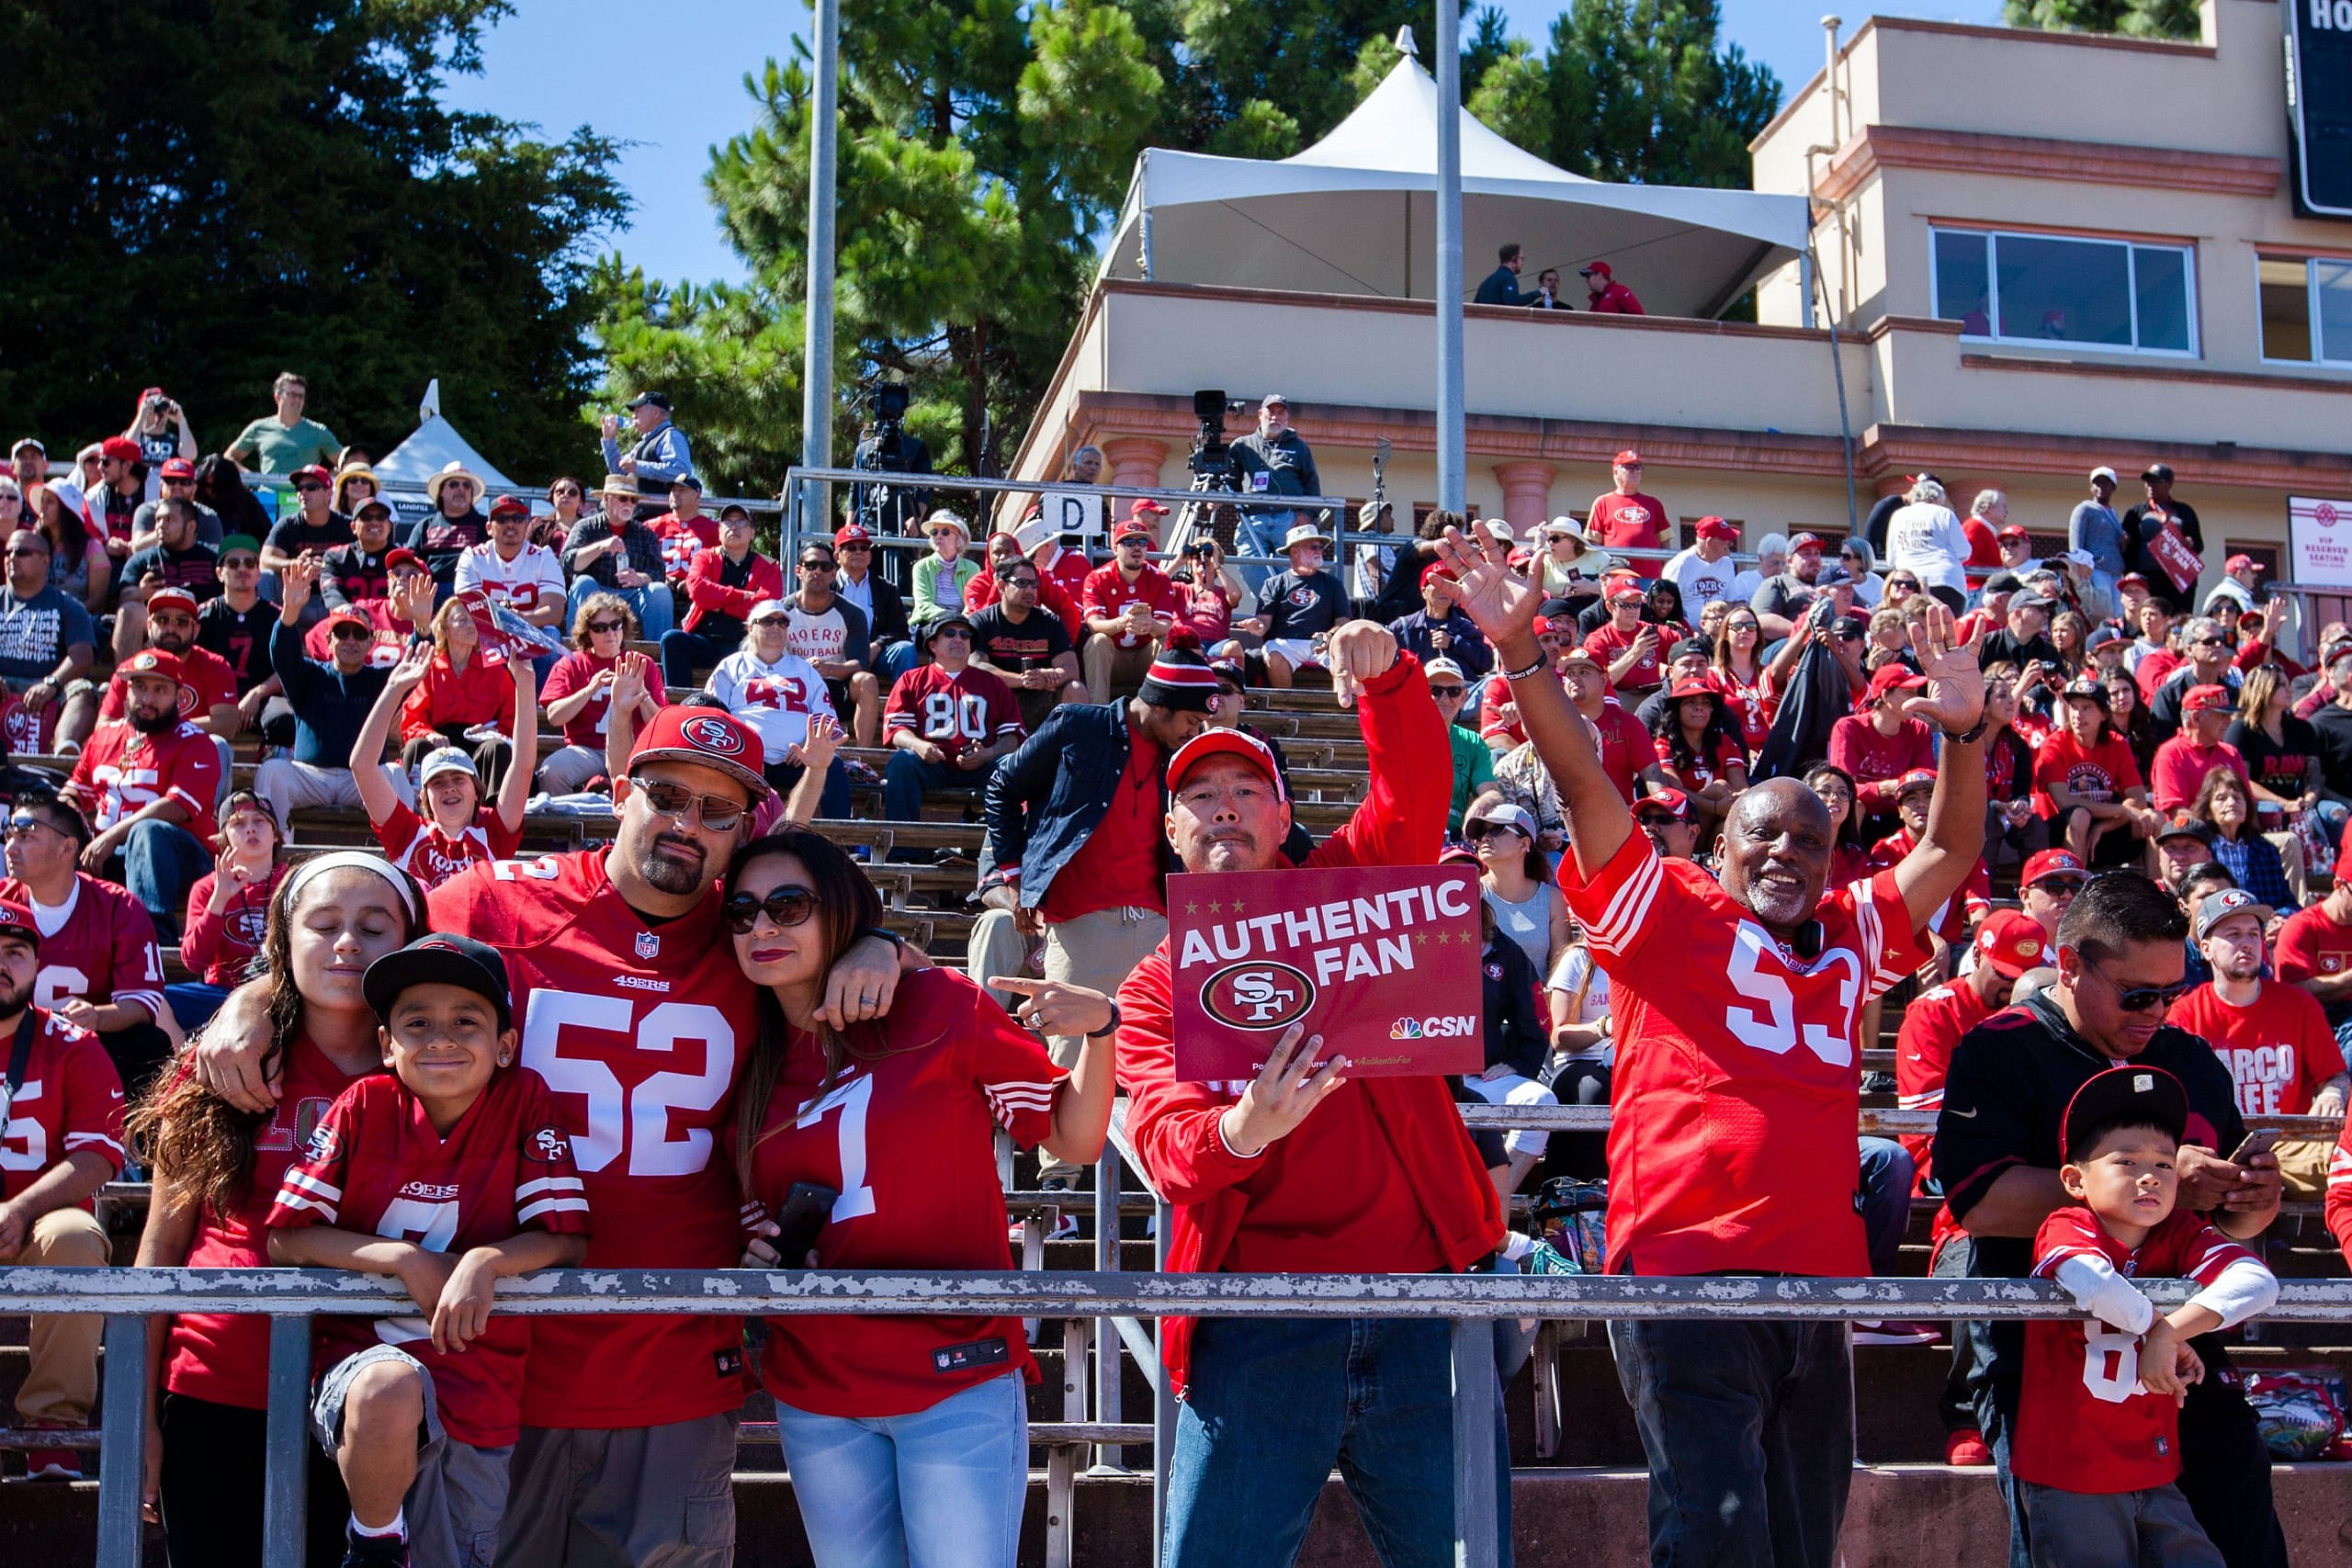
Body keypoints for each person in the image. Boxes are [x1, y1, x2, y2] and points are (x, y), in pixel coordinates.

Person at [191, 707, 913, 1568]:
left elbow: (873, 978)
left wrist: (880, 943)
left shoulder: (757, 934)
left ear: (745, 826)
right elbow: (347, 958)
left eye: (718, 809)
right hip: (485, 1363)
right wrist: (251, 997)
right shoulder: (493, 900)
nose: (687, 823)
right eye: (667, 795)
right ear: (620, 790)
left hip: (668, 1364)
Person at [1436, 519, 1989, 1566]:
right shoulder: (1670, 911)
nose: (1787, 852)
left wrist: (1963, 736)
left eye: (1810, 839)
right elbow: (1588, 788)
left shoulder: (1851, 928)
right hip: (1686, 1272)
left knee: (1801, 1543)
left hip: (1816, 1284)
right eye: (1762, 833)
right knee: (1715, 1542)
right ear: (1720, 842)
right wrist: (1520, 651)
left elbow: (1952, 847)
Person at [1114, 593, 1512, 1567]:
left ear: (1284, 815)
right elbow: (1166, 1146)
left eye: (1246, 790)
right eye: (1200, 795)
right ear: (1170, 830)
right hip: (1259, 1323)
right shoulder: (1155, 984)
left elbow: (1412, 791)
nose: (1223, 807)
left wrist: (1387, 677)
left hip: (1422, 1308)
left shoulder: (1353, 890)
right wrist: (1243, 1128)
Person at [727, 827, 1114, 1567]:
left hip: (955, 1373)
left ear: (839, 909)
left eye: (787, 905)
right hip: (817, 1385)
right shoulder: (743, 1054)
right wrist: (760, 1249)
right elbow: (747, 1216)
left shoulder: (939, 1004)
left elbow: (1073, 1137)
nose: (762, 927)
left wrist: (1101, 1031)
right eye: (742, 912)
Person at [1933, 872, 2287, 1568]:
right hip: (2043, 1353)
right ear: (2069, 965)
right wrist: (2158, 1188)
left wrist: (2251, 1197)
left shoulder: (2189, 1057)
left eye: (2172, 992)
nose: (2157, 1011)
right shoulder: (2001, 1047)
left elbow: (2231, 1225)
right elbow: (1981, 1199)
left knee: (2242, 1535)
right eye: (2136, 993)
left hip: (2178, 1348)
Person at [132, 856, 426, 1564]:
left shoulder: (439, 1065)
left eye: (374, 926)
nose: (347, 942)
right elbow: (160, 1247)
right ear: (282, 942)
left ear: (410, 942)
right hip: (213, 1383)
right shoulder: (221, 1064)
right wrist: (137, 1416)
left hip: (368, 1398)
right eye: (322, 924)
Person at [265, 931, 590, 1568]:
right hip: (361, 1362)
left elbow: (566, 1239)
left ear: (505, 1045)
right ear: (387, 1045)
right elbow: (286, 1236)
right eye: (417, 1023)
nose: (441, 1038)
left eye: (466, 1021)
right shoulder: (363, 1104)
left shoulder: (525, 1099)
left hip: (478, 1379)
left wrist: (484, 1260)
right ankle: (375, 1545)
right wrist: (402, 1258)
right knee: (388, 1386)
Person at [2008, 1065, 2275, 1568]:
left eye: (2165, 1164)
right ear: (2075, 1179)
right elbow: (2091, 1281)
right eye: (2126, 1161)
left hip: (2154, 1470)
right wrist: (2155, 1329)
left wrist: (2170, 1334)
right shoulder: (2066, 1224)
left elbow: (2258, 1283)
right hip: (2072, 1475)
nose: (2149, 1176)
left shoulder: (2180, 1231)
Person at [983, 643, 1215, 1194]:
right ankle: (1059, 1184)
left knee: (1161, 1050)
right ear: (1158, 706)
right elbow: (1002, 785)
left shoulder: (1181, 754)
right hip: (1081, 915)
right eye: (1189, 719)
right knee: (1070, 1043)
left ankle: (1154, 1175)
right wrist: (1014, 875)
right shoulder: (1078, 724)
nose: (1195, 730)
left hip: (1159, 918)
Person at [0, 898, 125, 1483]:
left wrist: (20, 1210)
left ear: (37, 966)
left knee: (76, 1238)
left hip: (41, 1219)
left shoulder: (73, 1043)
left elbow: (99, 1154)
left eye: (14, 953)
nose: (2, 965)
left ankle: (54, 1428)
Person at [0, 786, 175, 1087]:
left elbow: (142, 1002)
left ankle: (122, 1119)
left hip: (86, 1044)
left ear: (67, 848)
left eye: (26, 837)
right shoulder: (3, 900)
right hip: (8, 1034)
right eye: (9, 836)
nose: (11, 848)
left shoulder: (119, 907)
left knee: (148, 1044)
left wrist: (96, 1017)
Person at [62, 649, 221, 943]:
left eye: (160, 690)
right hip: (110, 855)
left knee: (148, 831)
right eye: (140, 687)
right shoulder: (103, 738)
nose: (147, 699)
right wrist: (64, 810)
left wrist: (111, 837)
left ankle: (153, 934)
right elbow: (74, 792)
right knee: (53, 829)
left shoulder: (195, 742)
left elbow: (176, 807)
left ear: (180, 697)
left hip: (178, 859)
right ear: (127, 690)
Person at [356, 640, 537, 891]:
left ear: (477, 792)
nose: (449, 787)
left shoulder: (494, 833)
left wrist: (525, 684)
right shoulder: (407, 833)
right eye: (438, 782)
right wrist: (394, 688)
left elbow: (523, 765)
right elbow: (362, 766)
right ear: (424, 798)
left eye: (458, 779)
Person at [2172, 887, 2347, 1132]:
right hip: (2217, 1143)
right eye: (2233, 934)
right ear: (2206, 949)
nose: (2246, 943)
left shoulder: (2300, 1005)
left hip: (2291, 1142)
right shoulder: (2184, 1015)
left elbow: (2335, 1076)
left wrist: (2332, 1094)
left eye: (2253, 934)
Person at [258, 558, 394, 829]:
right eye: (342, 633)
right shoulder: (309, 674)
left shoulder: (381, 680)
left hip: (362, 780)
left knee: (396, 775)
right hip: (310, 776)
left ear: (371, 642)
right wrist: (290, 612)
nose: (350, 640)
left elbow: (416, 666)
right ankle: (272, 851)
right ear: (329, 640)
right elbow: (282, 654)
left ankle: (401, 855)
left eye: (359, 634)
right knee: (271, 771)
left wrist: (422, 627)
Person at [880, 615, 1024, 826]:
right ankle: (902, 841)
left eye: (965, 635)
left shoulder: (994, 683)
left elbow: (1012, 737)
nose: (959, 639)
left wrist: (988, 753)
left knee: (1015, 765)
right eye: (949, 633)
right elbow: (897, 730)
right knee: (903, 761)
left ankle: (1008, 840)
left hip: (983, 766)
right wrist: (919, 745)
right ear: (932, 645)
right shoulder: (911, 680)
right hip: (932, 765)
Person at [1463, 893, 1557, 1203]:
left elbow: (1535, 1020)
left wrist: (1518, 1063)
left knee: (1541, 1102)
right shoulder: (1411, 939)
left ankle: (1489, 1204)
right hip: (1424, 1082)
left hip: (1479, 1078)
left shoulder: (1503, 950)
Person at [170, 790, 288, 1031]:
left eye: (259, 821)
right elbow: (194, 962)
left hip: (281, 990)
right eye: (239, 824)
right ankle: (183, 1052)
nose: (250, 829)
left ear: (276, 834)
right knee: (157, 1001)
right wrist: (220, 900)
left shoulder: (293, 881)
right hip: (223, 996)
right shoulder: (207, 888)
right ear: (224, 838)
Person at [396, 595, 524, 791]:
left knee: (497, 749)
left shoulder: (496, 671)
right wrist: (429, 735)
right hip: (439, 745)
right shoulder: (429, 670)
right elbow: (413, 719)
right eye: (463, 620)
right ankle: (415, 804)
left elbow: (512, 719)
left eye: (475, 620)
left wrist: (492, 732)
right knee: (417, 746)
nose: (471, 625)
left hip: (479, 744)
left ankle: (493, 809)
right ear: (445, 629)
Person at [541, 600, 666, 795]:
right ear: (587, 633)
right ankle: (565, 815)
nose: (610, 633)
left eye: (616, 625)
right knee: (552, 771)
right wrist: (590, 690)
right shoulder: (571, 663)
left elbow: (659, 726)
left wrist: (642, 694)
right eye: (600, 628)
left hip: (632, 748)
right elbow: (554, 717)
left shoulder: (643, 664)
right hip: (586, 751)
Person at [2035, 675, 2161, 865]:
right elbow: (2064, 802)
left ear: (2104, 714)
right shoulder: (2054, 744)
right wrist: (2122, 810)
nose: (2078, 715)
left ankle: (2157, 884)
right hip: (2059, 831)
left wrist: (2104, 826)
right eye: (2074, 707)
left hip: (2103, 829)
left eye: (2086, 708)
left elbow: (2138, 799)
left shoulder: (2117, 744)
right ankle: (2076, 882)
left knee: (2155, 818)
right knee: (2080, 815)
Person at [662, 502, 779, 689]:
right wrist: (742, 595)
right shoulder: (704, 556)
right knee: (671, 640)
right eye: (728, 522)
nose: (734, 527)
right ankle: (681, 702)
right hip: (705, 640)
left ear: (752, 533)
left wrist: (718, 604)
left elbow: (765, 607)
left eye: (741, 522)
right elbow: (697, 591)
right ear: (719, 531)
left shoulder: (769, 566)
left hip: (745, 643)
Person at [99, 585, 241, 739]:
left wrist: (166, 729)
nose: (171, 628)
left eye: (182, 622)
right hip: (142, 749)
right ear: (149, 626)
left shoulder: (215, 666)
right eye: (162, 619)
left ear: (195, 630)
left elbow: (227, 724)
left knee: (218, 742)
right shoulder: (129, 669)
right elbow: (103, 726)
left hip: (194, 750)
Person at [0, 525, 96, 752]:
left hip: (49, 688)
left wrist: (51, 683)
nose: (12, 557)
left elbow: (82, 656)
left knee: (83, 691)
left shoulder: (68, 605)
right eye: (8, 552)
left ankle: (64, 749)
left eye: (22, 552)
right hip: (3, 686)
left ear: (45, 560)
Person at [969, 557, 1085, 732]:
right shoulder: (982, 620)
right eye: (1022, 583)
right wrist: (1022, 680)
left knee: (1076, 689)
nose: (1030, 590)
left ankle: (1075, 748)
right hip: (999, 699)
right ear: (1001, 586)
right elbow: (976, 667)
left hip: (1041, 699)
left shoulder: (1050, 621)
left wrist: (1047, 676)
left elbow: (1070, 669)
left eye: (1034, 584)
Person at [1080, 514, 1178, 702]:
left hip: (1144, 658)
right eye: (1129, 542)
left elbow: (1166, 626)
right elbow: (1094, 625)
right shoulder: (1097, 578)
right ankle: (1099, 711)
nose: (1137, 547)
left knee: (1167, 642)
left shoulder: (1160, 579)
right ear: (1115, 549)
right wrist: (1123, 622)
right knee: (1097, 641)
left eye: (1142, 542)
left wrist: (1149, 624)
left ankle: (1163, 710)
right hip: (1113, 659)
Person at [1239, 521, 1348, 688]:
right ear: (1295, 551)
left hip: (1321, 641)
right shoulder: (1274, 584)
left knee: (1344, 655)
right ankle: (1285, 704)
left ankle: (1340, 702)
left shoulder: (1333, 584)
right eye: (1314, 547)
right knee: (1273, 653)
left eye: (1320, 547)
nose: (1319, 551)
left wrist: (1329, 636)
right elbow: (1263, 622)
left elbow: (1343, 622)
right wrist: (1257, 626)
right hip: (1286, 643)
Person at [563, 475, 672, 639]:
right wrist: (601, 547)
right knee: (583, 583)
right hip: (595, 595)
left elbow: (659, 573)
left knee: (660, 591)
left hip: (632, 598)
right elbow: (567, 563)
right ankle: (577, 649)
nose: (629, 504)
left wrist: (640, 578)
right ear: (606, 499)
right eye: (623, 498)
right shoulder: (585, 527)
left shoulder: (645, 534)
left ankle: (658, 651)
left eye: (633, 500)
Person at [1469, 799, 1568, 976]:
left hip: (1539, 994)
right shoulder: (1469, 895)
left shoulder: (1553, 900)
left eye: (1497, 830)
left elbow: (1561, 974)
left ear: (1524, 844)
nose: (1485, 838)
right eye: (1481, 832)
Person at [1828, 661, 1937, 817]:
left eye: (1916, 692)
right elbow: (1842, 788)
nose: (1916, 699)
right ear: (1886, 696)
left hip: (1903, 813)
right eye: (1908, 693)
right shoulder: (1848, 727)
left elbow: (1927, 779)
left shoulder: (1919, 729)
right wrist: (1883, 788)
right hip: (1860, 813)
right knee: (1857, 806)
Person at [1226, 393, 1323, 564]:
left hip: (1289, 519)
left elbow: (1312, 485)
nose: (1275, 417)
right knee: (1249, 565)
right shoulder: (1242, 445)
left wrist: (1307, 514)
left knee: (1290, 571)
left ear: (1287, 418)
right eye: (1270, 412)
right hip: (1253, 518)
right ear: (1260, 414)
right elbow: (1230, 481)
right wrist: (1217, 497)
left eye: (1280, 413)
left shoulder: (1299, 447)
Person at [2189, 766, 2298, 913]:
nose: (2232, 803)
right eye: (2221, 798)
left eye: (2237, 798)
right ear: (2208, 810)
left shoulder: (2265, 850)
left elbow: (2288, 902)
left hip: (2264, 923)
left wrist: (2278, 917)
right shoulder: (2200, 850)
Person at [456, 494, 568, 635]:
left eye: (517, 519)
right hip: (486, 634)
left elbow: (555, 612)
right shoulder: (473, 558)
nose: (510, 524)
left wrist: (519, 619)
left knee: (551, 632)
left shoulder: (544, 557)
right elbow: (468, 608)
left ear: (526, 526)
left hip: (531, 633)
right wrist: (500, 619)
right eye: (502, 519)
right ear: (489, 528)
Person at [830, 522, 916, 690]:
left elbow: (899, 630)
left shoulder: (886, 589)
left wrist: (877, 646)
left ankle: (906, 702)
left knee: (905, 650)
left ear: (870, 555)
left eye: (864, 548)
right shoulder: (827, 587)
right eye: (851, 548)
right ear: (837, 556)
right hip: (835, 656)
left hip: (876, 656)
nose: (859, 552)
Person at [2152, 685, 2253, 815]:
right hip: (2191, 828)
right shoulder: (2171, 754)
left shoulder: (2230, 753)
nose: (2229, 721)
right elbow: (2176, 813)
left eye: (2229, 715)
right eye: (2222, 715)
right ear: (2196, 718)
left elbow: (2247, 803)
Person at [1425, 657, 1497, 837]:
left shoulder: (1472, 742)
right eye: (1435, 691)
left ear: (1463, 697)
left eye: (1453, 691)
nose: (1444, 698)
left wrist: (1482, 805)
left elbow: (1490, 793)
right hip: (1411, 833)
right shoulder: (1403, 736)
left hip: (1454, 837)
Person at [1387, 564, 1494, 681]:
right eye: (1436, 583)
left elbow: (1486, 663)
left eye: (1449, 584)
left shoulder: (1466, 628)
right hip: (1416, 689)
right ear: (1424, 592)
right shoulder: (1402, 628)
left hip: (1460, 690)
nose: (1443, 589)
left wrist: (1454, 643)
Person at [226, 371, 340, 474]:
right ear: (277, 397)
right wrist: (249, 476)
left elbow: (345, 462)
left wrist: (327, 479)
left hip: (303, 491)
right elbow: (230, 457)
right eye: (292, 395)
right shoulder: (259, 427)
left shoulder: (318, 431)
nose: (297, 400)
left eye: (301, 396)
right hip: (268, 490)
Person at [405, 462, 492, 592]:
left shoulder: (486, 525)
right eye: (454, 484)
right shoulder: (424, 526)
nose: (461, 489)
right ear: (441, 492)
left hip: (473, 590)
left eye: (466, 485)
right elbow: (409, 561)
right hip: (430, 591)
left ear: (471, 493)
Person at [599, 390, 695, 508]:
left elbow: (681, 473)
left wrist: (638, 467)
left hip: (659, 515)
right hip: (639, 514)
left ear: (655, 412)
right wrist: (609, 439)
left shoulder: (671, 436)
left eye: (638, 411)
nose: (634, 416)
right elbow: (618, 473)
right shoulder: (643, 443)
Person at [2120, 464, 2203, 590]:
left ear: (2169, 484)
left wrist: (2190, 543)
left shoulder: (2184, 511)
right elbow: (2127, 547)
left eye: (2155, 481)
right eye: (2147, 482)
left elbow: (2199, 544)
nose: (2150, 486)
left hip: (2178, 579)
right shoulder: (2136, 512)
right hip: (2146, 577)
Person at [910, 509, 980, 635]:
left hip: (964, 624)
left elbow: (973, 604)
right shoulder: (921, 567)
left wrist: (959, 621)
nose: (938, 536)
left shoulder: (972, 568)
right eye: (934, 532)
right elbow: (924, 606)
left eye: (945, 532)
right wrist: (951, 619)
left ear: (958, 538)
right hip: (929, 624)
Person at [1587, 448, 1667, 551]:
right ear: (1616, 472)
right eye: (1630, 467)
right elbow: (1594, 543)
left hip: (1649, 562)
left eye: (1638, 468)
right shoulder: (1602, 503)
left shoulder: (1654, 504)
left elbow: (1665, 542)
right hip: (1615, 561)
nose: (1635, 472)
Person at [1659, 513, 1737, 612]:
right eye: (1726, 543)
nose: (1729, 547)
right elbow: (1666, 607)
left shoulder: (1727, 563)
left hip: (1718, 621)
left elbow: (1729, 601)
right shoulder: (1680, 564)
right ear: (1710, 543)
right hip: (1684, 622)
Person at [1580, 259, 1644, 313]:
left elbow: (1638, 316)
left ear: (1599, 275)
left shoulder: (1619, 291)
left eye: (1588, 277)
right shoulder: (1596, 301)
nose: (1587, 281)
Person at [1473, 242, 1526, 306]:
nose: (1522, 263)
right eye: (1522, 259)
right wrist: (1536, 293)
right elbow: (1513, 301)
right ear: (1514, 259)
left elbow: (1474, 306)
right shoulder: (1508, 278)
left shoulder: (1485, 282)